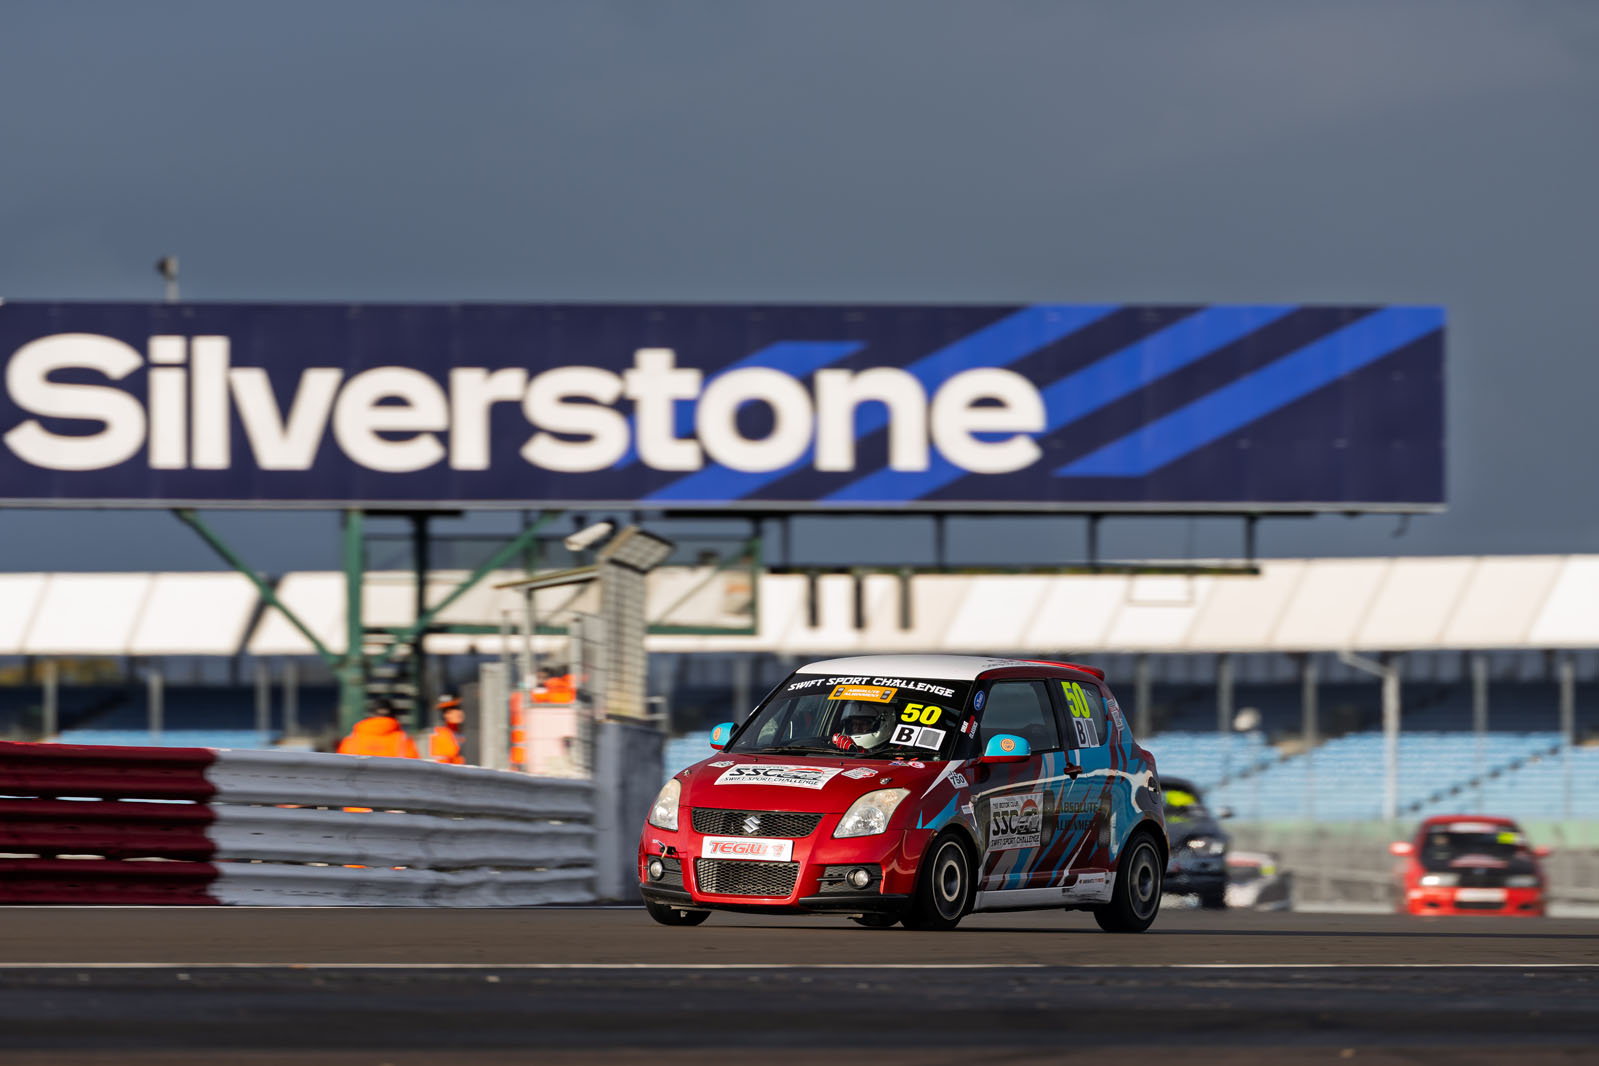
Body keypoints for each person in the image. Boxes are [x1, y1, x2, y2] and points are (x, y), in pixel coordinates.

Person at [336, 700, 420, 759]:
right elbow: (414, 766)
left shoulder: (352, 738)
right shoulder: (403, 739)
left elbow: (341, 764)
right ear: (394, 715)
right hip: (392, 779)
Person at [428, 695, 466, 765]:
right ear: (445, 715)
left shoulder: (466, 732)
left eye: (459, 708)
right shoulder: (440, 735)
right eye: (452, 710)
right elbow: (442, 765)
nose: (458, 712)